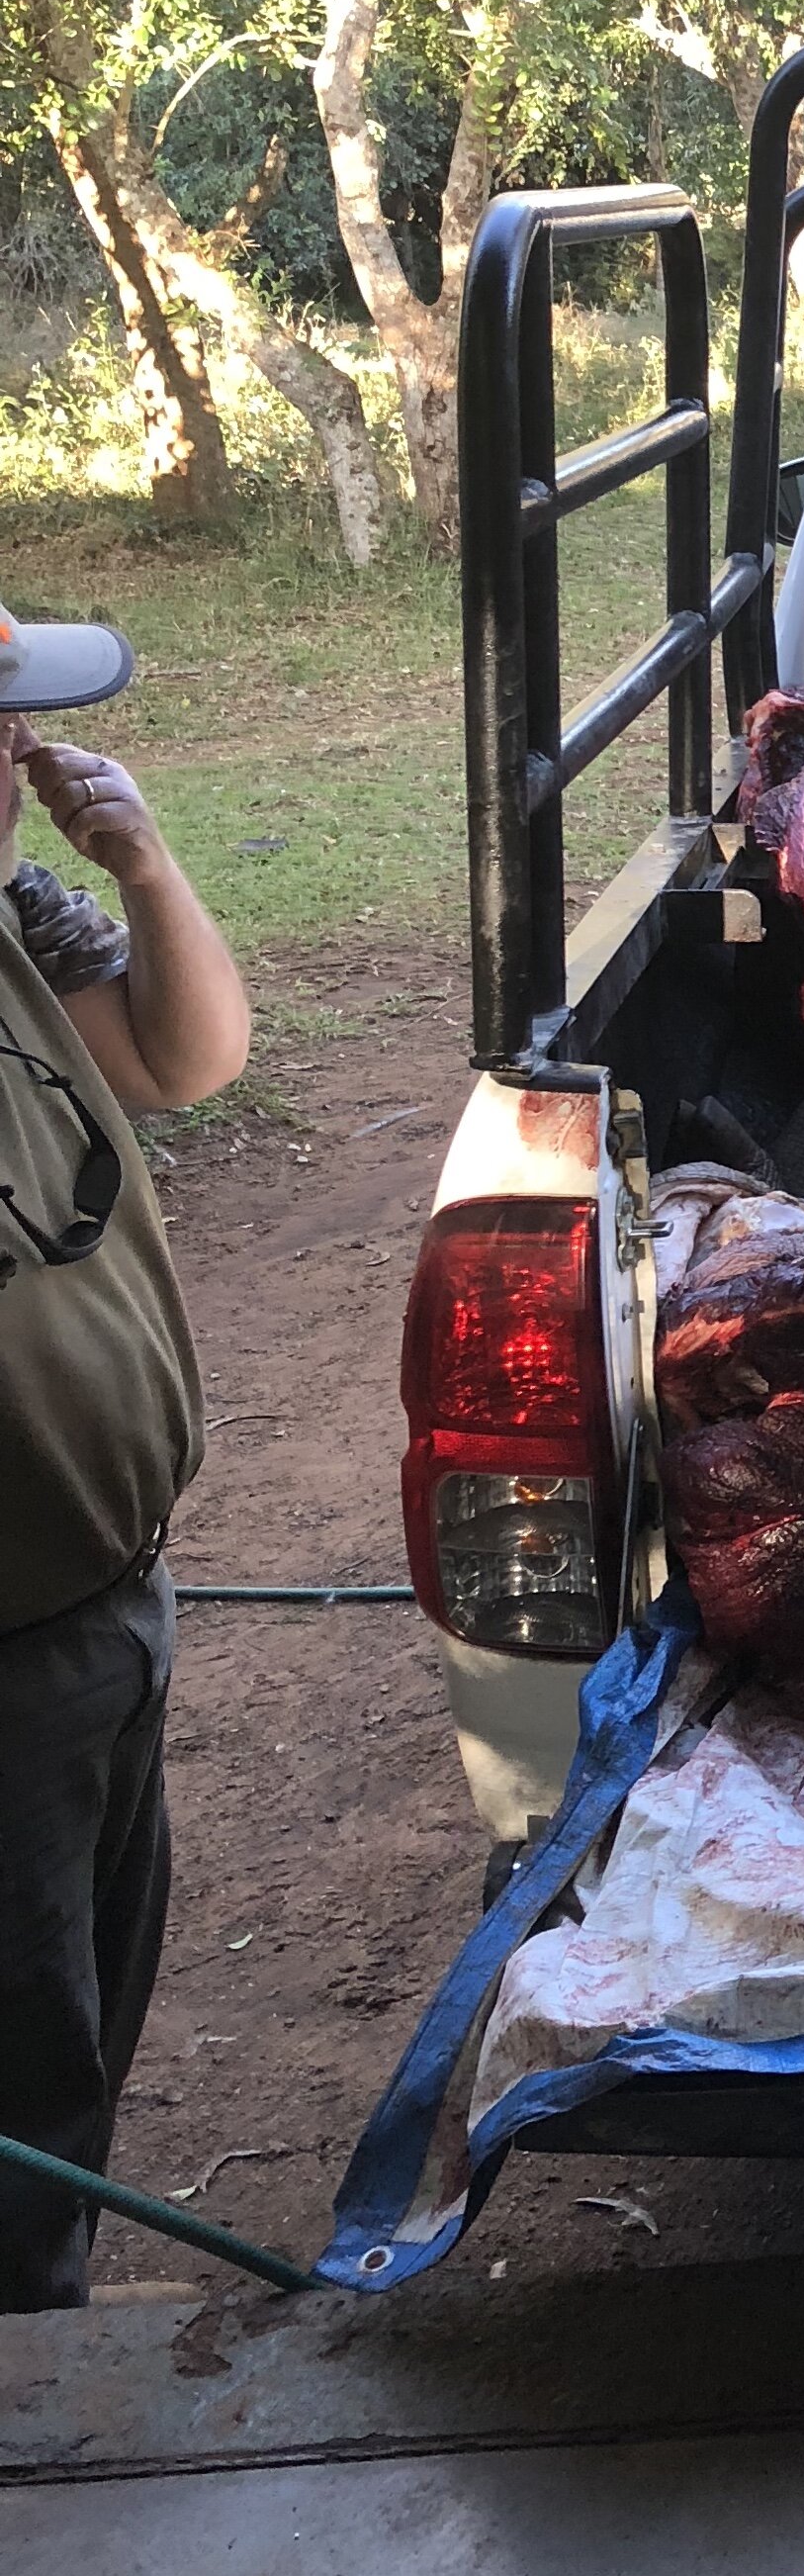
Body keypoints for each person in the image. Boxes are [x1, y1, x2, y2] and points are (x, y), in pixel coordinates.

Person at [0, 599, 249, 2311]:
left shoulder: (17, 919)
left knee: (73, 2026)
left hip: (99, 1603)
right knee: (19, 2059)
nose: (16, 758)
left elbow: (186, 1055)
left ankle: (46, 2294)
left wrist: (146, 868)